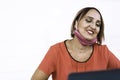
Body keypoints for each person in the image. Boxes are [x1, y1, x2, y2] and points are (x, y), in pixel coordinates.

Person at [31, 7, 120, 80]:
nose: (93, 26)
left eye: (98, 24)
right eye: (88, 20)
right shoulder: (56, 51)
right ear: (76, 23)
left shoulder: (104, 52)